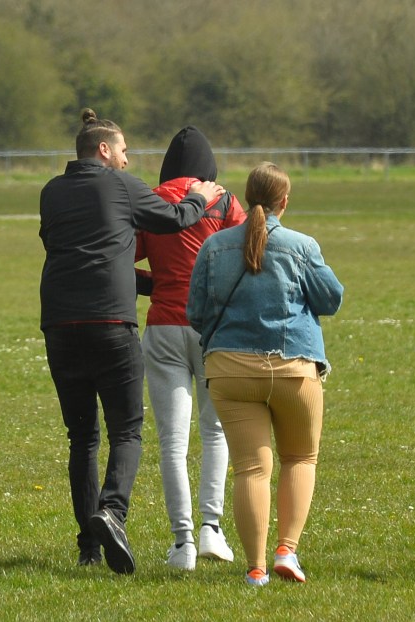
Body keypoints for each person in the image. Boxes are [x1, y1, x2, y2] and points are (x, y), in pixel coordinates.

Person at [39, 109, 224, 574]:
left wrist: (155, 285)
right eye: (122, 150)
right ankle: (113, 513)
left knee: (81, 437)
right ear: (104, 150)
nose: (127, 159)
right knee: (126, 430)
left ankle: (88, 547)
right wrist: (200, 196)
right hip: (110, 325)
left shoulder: (51, 193)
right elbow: (176, 218)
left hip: (60, 326)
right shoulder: (122, 186)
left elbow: (88, 255)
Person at [187, 162, 344, 586]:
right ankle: (286, 552)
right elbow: (331, 299)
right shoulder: (302, 245)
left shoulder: (214, 247)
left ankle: (255, 568)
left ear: (244, 196)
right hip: (294, 368)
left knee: (251, 469)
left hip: (230, 372)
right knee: (299, 458)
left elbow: (196, 314)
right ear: (284, 202)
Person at [135, 126, 245, 570]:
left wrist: (157, 284)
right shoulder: (224, 200)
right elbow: (248, 254)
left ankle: (181, 545)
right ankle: (210, 530)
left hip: (162, 326)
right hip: (214, 328)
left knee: (171, 442)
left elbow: (124, 258)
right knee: (215, 431)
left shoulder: (151, 200)